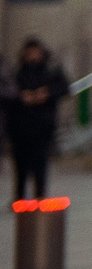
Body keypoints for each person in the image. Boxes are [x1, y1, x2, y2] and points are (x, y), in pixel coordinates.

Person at [4, 39, 65, 201]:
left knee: (40, 164)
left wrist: (46, 94)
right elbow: (7, 95)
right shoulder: (16, 73)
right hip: (20, 128)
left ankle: (40, 195)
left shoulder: (50, 71)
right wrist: (21, 98)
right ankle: (20, 197)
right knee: (21, 165)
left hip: (42, 127)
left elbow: (63, 88)